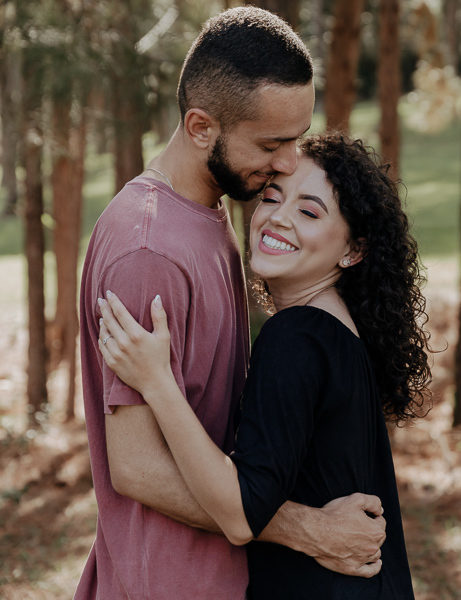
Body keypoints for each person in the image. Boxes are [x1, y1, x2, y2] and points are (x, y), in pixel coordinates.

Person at [76, 9, 386, 600]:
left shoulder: (212, 213)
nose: (290, 162)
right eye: (272, 143)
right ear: (200, 127)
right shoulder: (150, 251)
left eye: (296, 139)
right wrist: (307, 528)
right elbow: (136, 466)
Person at [96, 132, 431, 599]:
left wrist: (157, 382)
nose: (278, 218)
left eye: (309, 212)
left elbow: (240, 513)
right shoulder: (336, 329)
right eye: (273, 198)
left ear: (354, 250)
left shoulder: (297, 336)